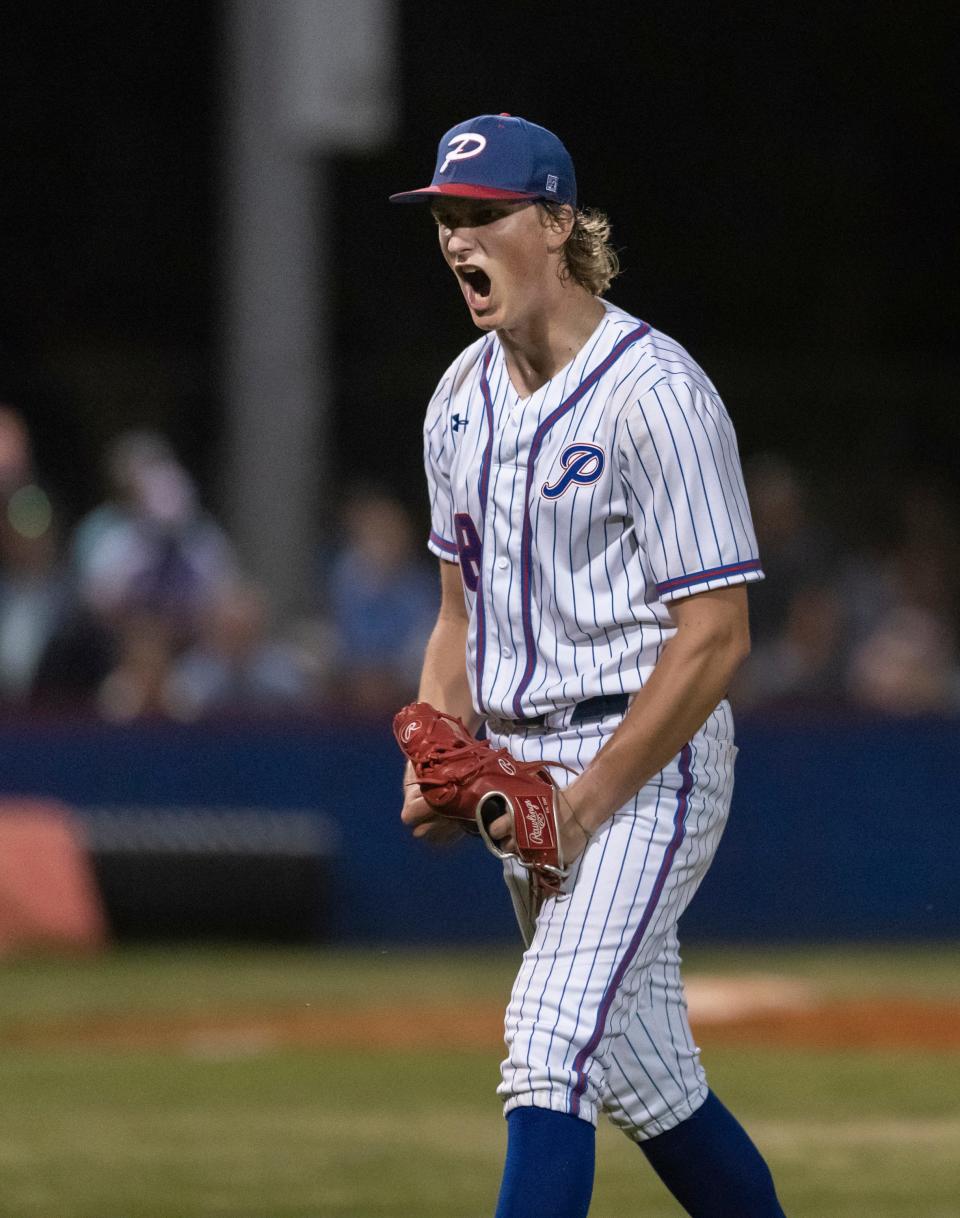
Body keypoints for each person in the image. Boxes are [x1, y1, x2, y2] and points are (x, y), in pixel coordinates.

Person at [391, 114, 786, 1217]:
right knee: (649, 1081)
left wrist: (587, 799)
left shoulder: (656, 392)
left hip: (644, 758)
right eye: (446, 221)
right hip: (522, 775)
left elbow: (717, 635)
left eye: (485, 216)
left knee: (548, 1043)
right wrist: (437, 747)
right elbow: (456, 618)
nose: (459, 240)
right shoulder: (458, 401)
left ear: (559, 224)